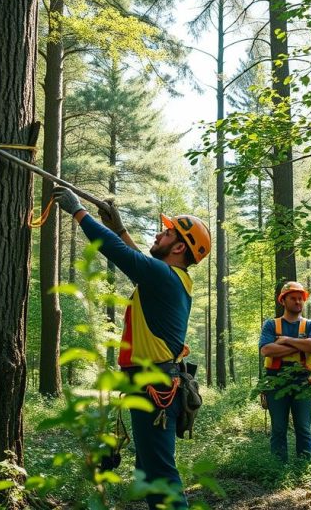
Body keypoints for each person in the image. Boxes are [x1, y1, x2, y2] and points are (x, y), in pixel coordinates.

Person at [53, 187, 210, 510]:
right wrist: (118, 228)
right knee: (150, 469)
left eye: (166, 233)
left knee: (159, 473)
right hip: (153, 384)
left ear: (179, 246)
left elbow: (123, 255)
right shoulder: (168, 278)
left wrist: (78, 211)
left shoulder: (164, 277)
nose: (158, 234)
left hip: (154, 389)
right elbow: (138, 260)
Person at [259, 281, 311, 463]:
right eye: (293, 298)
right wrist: (300, 346)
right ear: (283, 301)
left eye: (300, 298)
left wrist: (285, 340)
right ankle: (278, 467)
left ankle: (304, 466)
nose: (298, 302)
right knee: (278, 428)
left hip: (303, 381)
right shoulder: (271, 325)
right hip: (275, 380)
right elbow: (266, 350)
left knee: (303, 427)